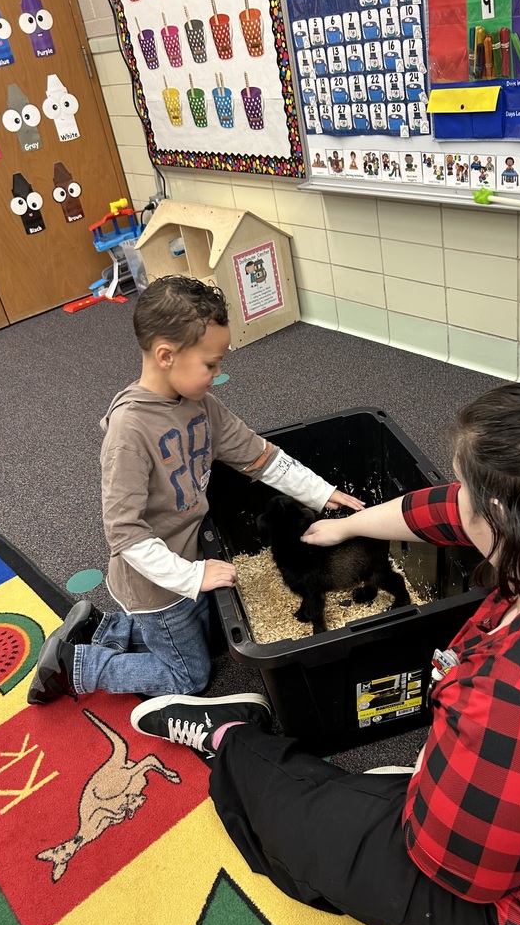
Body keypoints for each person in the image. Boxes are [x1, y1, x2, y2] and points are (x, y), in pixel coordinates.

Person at [130, 381, 520, 925]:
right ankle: (437, 784)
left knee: (318, 832)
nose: (455, 496)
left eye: (465, 486)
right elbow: (450, 511)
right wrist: (347, 525)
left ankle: (233, 740)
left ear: (500, 514)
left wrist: (435, 786)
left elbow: (461, 872)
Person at [27, 275, 362, 705]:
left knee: (214, 636)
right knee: (190, 674)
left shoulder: (200, 405)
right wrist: (192, 576)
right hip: (157, 589)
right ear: (166, 356)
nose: (218, 374)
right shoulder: (129, 433)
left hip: (189, 557)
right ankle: (77, 664)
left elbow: (259, 455)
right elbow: (124, 534)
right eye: (210, 364)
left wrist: (322, 493)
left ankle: (104, 628)